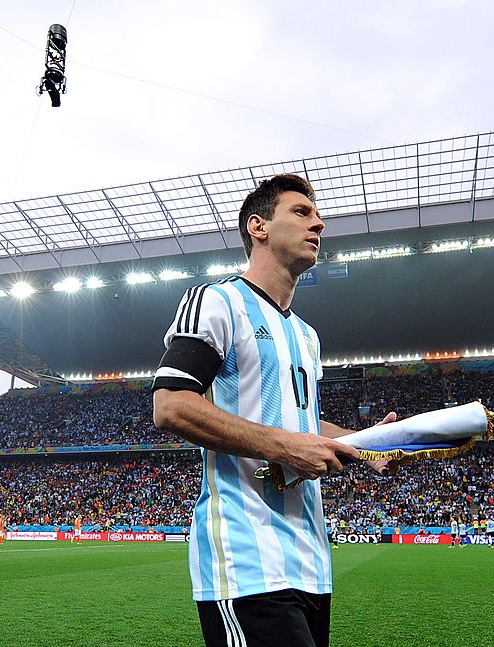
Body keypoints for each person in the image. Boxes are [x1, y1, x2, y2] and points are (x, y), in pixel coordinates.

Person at [153, 174, 396, 647]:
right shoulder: (217, 301)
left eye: (318, 215)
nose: (319, 224)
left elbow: (300, 423)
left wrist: (362, 442)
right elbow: (171, 405)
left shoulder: (306, 334)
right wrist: (284, 446)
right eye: (302, 213)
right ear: (258, 227)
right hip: (247, 556)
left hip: (310, 561)